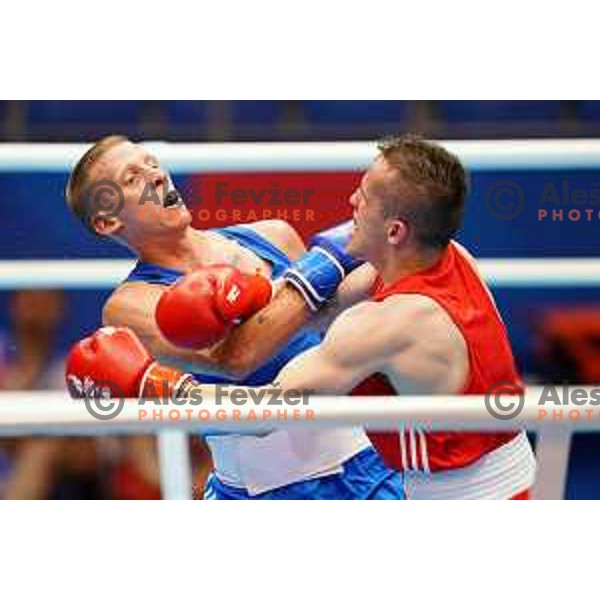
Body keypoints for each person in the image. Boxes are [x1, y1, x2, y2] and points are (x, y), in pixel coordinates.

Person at [66, 134, 536, 499]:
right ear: (108, 221)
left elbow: (337, 316)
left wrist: (332, 261)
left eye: (150, 162)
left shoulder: (269, 235)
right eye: (131, 179)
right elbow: (234, 359)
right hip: (260, 488)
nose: (155, 176)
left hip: (369, 464)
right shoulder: (131, 303)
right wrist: (324, 263)